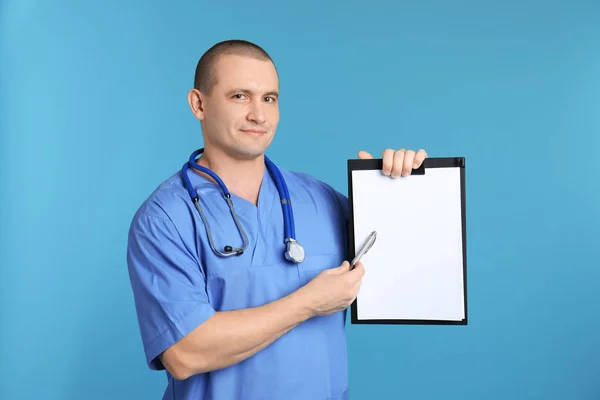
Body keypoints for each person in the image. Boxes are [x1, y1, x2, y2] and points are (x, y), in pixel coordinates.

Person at [126, 39, 427, 400]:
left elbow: (412, 269)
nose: (259, 114)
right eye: (240, 96)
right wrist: (307, 303)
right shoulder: (165, 219)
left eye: (269, 98)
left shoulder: (322, 201)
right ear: (199, 104)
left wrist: (398, 187)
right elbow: (185, 353)